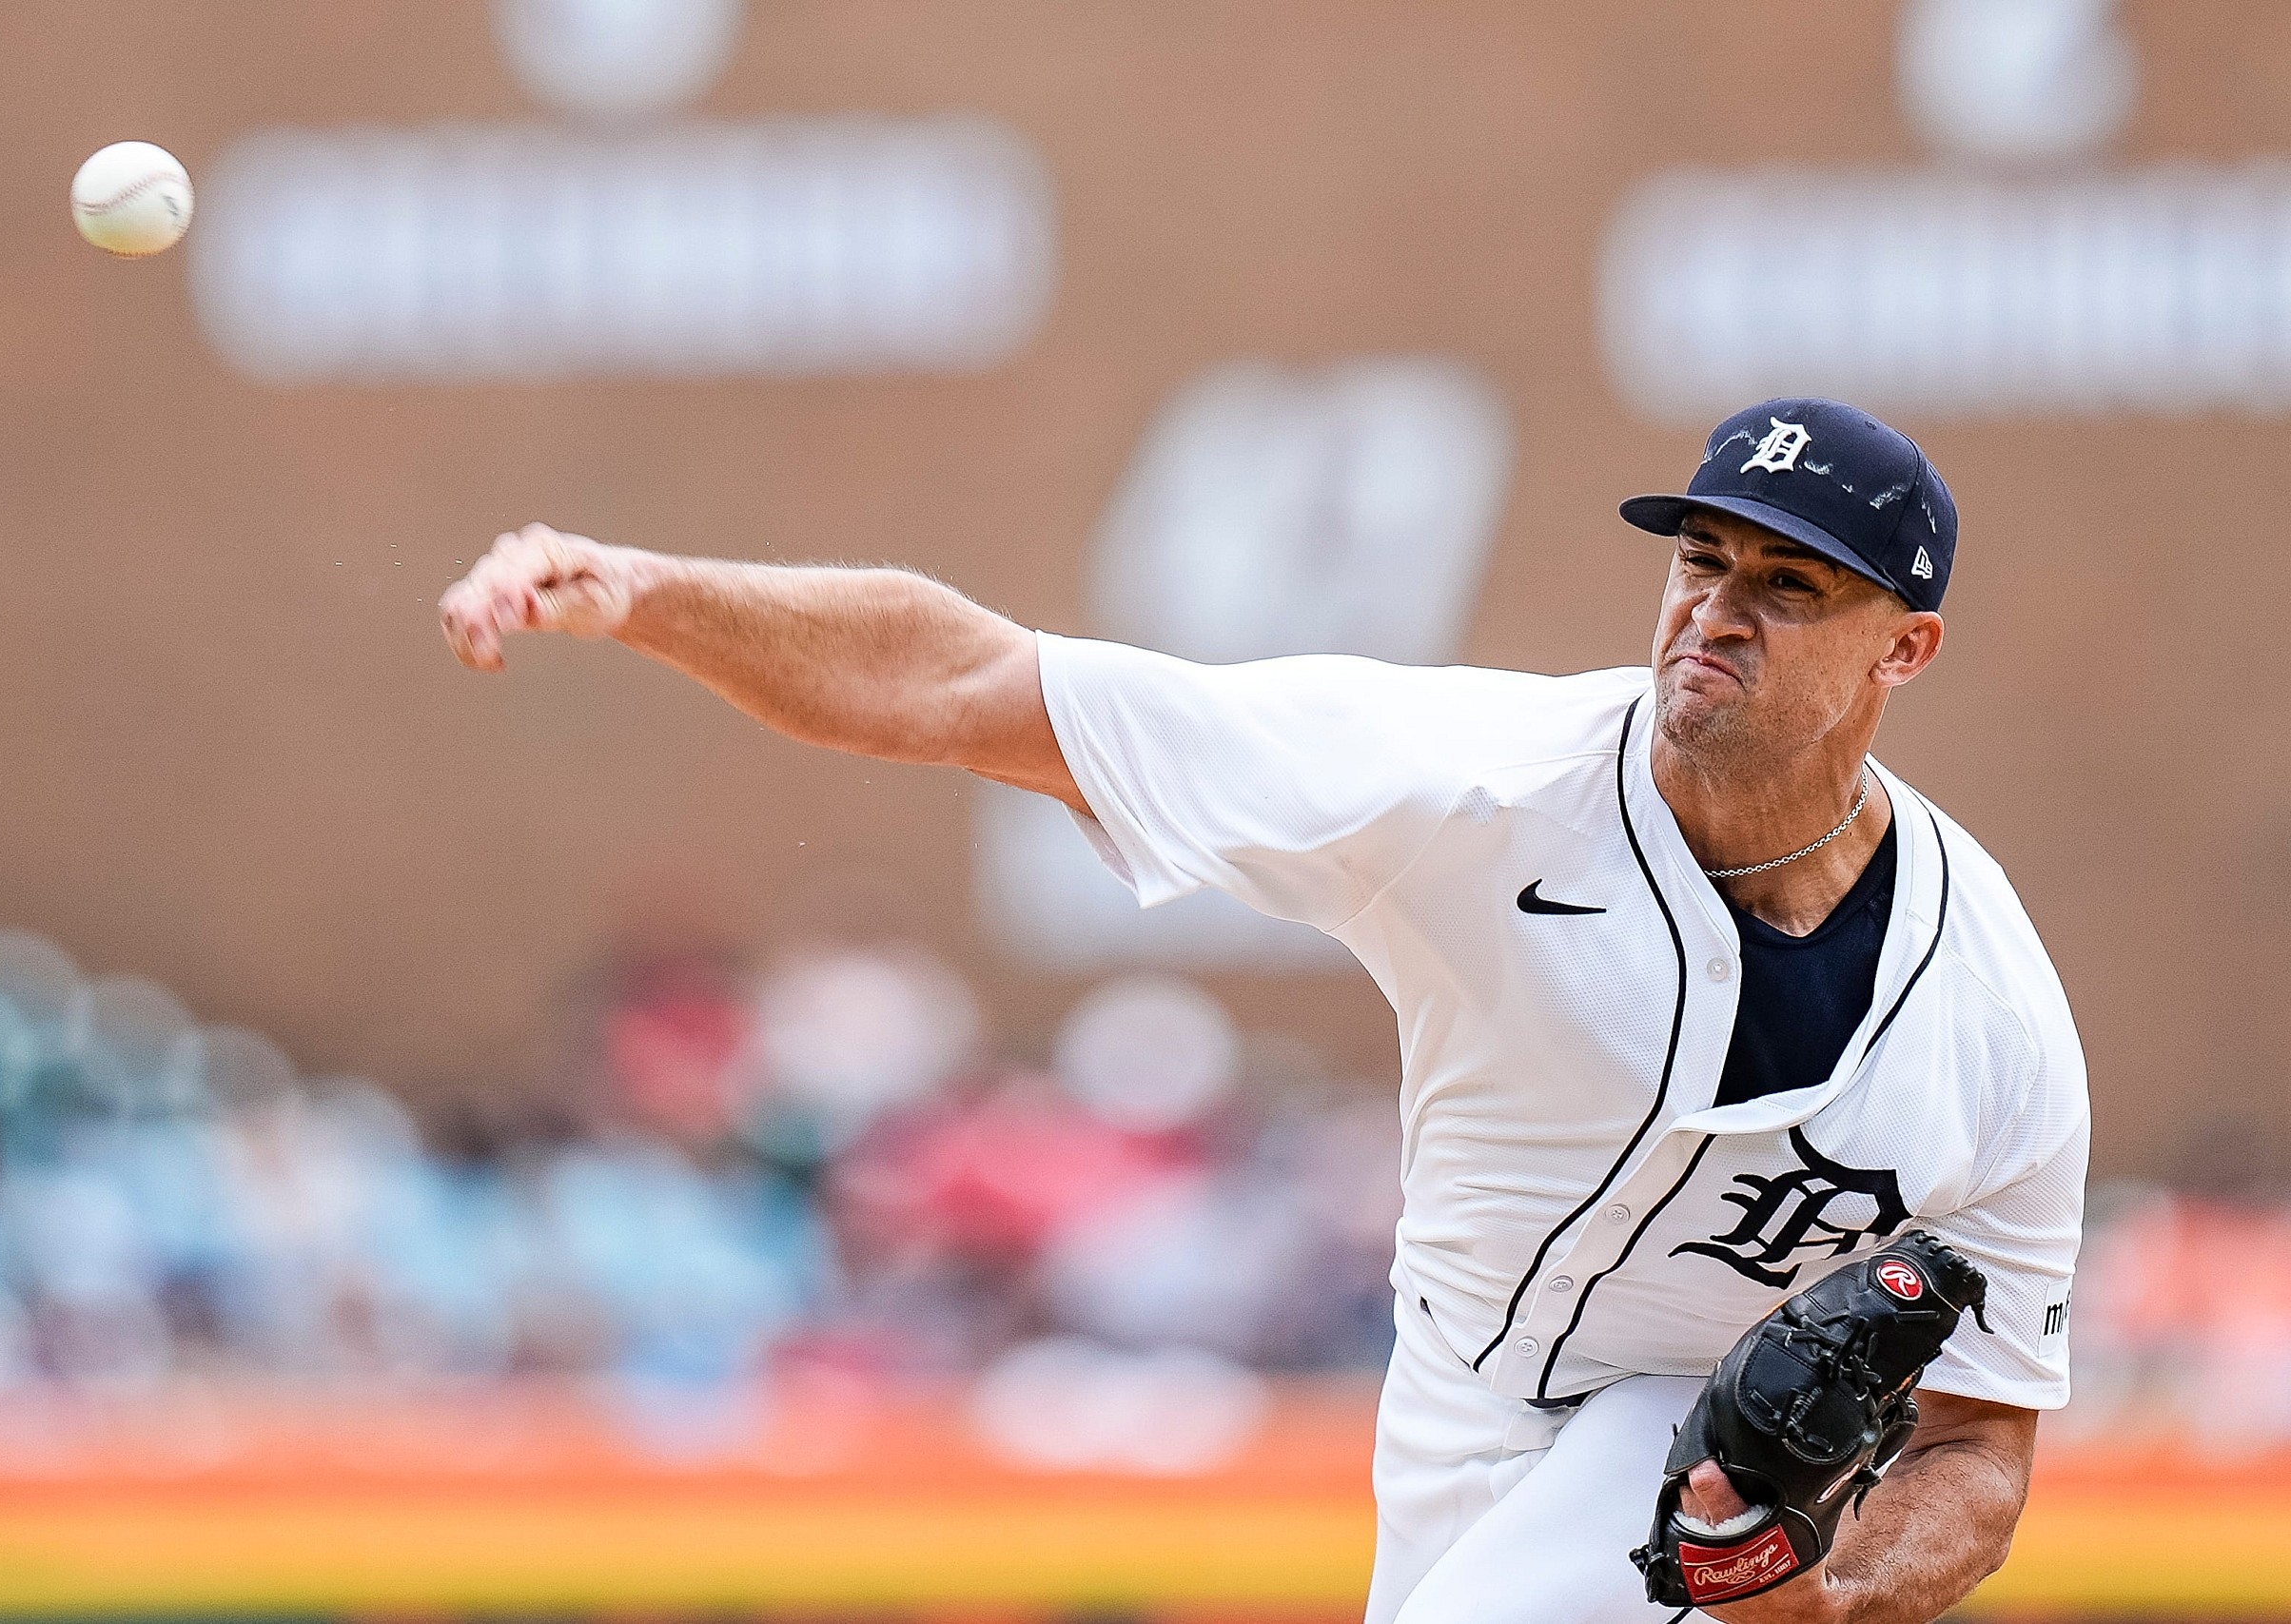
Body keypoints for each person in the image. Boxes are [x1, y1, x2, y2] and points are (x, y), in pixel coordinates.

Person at [438, 398, 2086, 1624]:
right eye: (1700, 557)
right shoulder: (1473, 787)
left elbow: (1980, 1454)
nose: (1717, 608)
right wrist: (649, 591)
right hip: (1448, 1426)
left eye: (1791, 587)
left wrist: (1835, 1601)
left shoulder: (1990, 1013)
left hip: (1690, 1454)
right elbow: (967, 684)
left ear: (1906, 648)